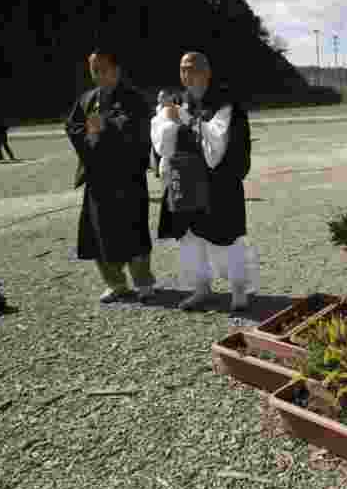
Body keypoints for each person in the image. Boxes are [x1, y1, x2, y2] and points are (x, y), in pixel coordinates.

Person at [152, 52, 255, 312]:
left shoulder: (224, 102)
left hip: (217, 182)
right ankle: (201, 288)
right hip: (185, 181)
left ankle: (239, 290)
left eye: (194, 69)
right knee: (189, 238)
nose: (188, 74)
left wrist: (185, 119)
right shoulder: (176, 101)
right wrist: (168, 122)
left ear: (207, 72)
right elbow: (161, 143)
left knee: (227, 237)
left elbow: (217, 147)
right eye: (183, 69)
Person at [65, 50, 157, 304]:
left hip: (127, 177)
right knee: (98, 233)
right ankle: (115, 283)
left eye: (103, 68)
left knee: (133, 230)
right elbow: (72, 127)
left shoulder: (134, 98)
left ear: (117, 69)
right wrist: (90, 135)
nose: (98, 74)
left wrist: (104, 129)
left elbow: (139, 131)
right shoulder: (86, 99)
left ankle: (143, 282)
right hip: (97, 179)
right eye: (94, 69)